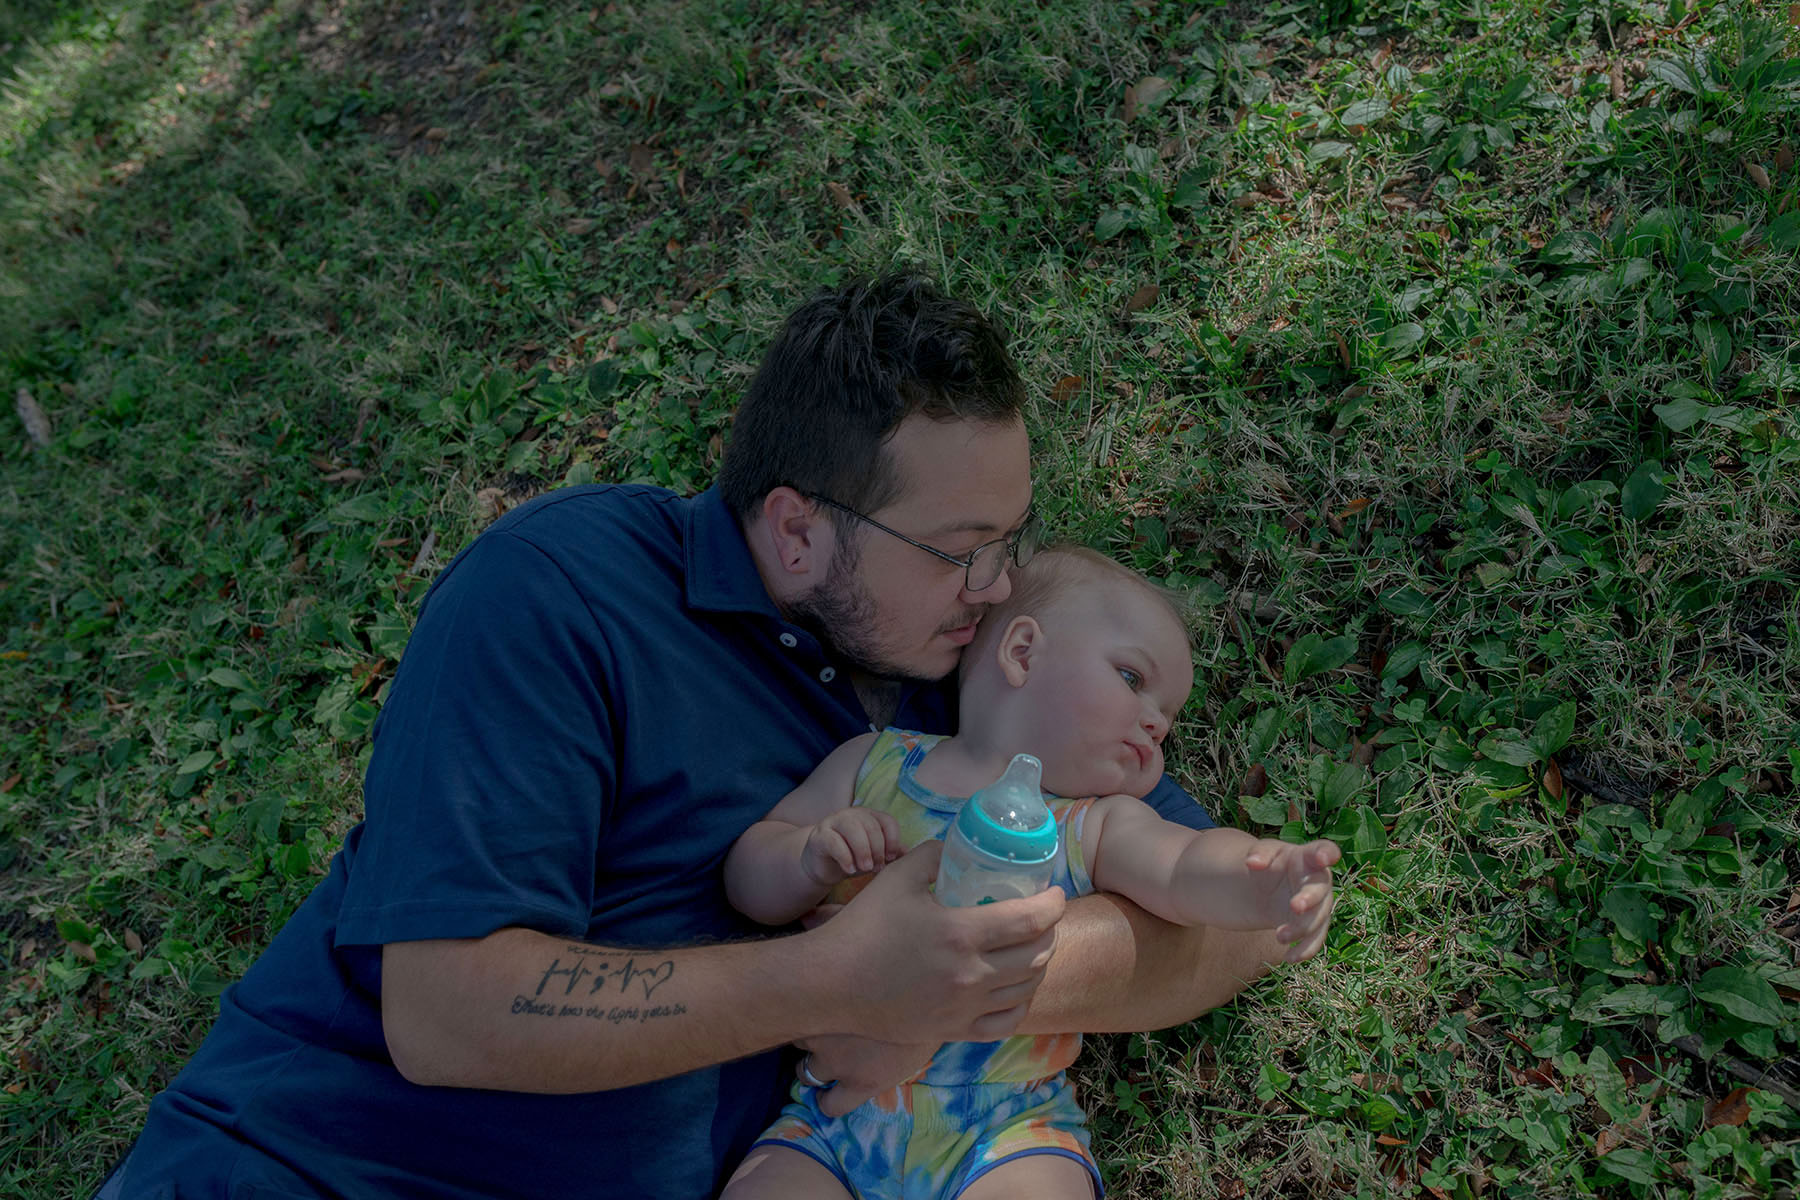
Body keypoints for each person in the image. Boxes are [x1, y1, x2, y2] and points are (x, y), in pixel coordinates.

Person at [103, 273, 1292, 1200]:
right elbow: (448, 1012)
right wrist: (832, 976)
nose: (999, 583)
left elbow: (1210, 927)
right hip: (319, 1166)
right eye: (958, 546)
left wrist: (949, 976)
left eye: (1013, 537)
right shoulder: (565, 592)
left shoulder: (980, 676)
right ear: (795, 533)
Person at [718, 547, 1339, 1200]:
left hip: (1008, 1128)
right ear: (1022, 651)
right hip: (833, 1120)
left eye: (1169, 720)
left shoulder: (1095, 824)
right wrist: (809, 855)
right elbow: (747, 879)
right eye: (1133, 679)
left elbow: (1182, 868)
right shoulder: (871, 766)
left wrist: (1256, 875)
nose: (1156, 722)